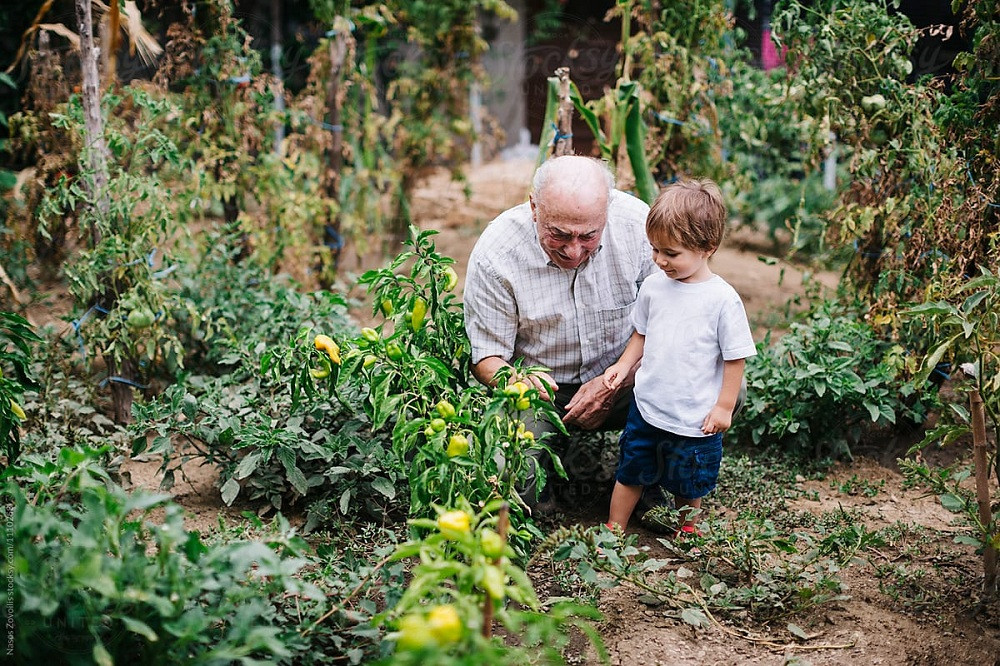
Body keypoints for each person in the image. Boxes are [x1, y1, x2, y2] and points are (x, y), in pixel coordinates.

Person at [463, 155, 656, 510]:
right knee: (509, 478)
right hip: (544, 393)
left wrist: (617, 380)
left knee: (716, 388)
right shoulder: (497, 255)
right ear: (534, 207)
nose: (573, 250)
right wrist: (515, 382)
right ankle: (540, 500)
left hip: (629, 380)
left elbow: (668, 321)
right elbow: (487, 355)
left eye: (589, 236)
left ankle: (650, 489)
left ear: (608, 210)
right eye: (559, 234)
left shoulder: (639, 227)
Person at [603, 178, 756, 536]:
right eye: (655, 249)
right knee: (631, 472)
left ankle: (686, 532)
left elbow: (735, 358)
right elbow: (641, 333)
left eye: (671, 254)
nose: (660, 260)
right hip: (649, 406)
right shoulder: (655, 287)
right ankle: (614, 529)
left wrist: (723, 406)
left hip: (695, 415)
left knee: (690, 483)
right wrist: (624, 366)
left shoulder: (721, 300)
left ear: (707, 247)